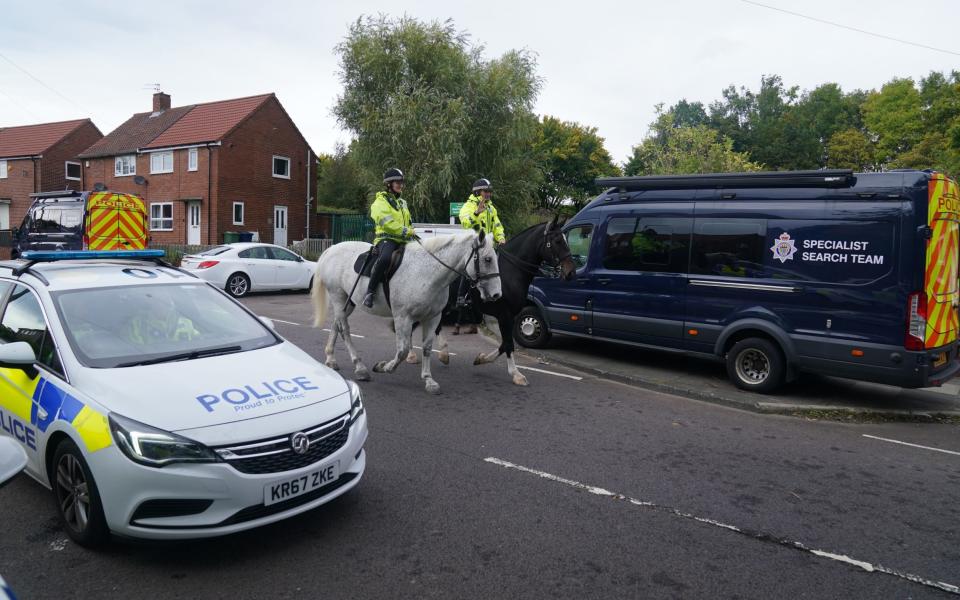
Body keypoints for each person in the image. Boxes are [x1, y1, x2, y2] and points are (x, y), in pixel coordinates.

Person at [453, 178, 506, 333]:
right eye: (486, 191)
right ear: (477, 192)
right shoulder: (468, 207)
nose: (488, 194)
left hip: (489, 248)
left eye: (489, 191)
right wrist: (476, 213)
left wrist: (501, 236)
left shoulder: (491, 208)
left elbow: (497, 225)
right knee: (466, 275)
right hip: (474, 248)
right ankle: (460, 302)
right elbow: (466, 222)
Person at [363, 168, 416, 308]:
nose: (400, 185)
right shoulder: (380, 202)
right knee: (386, 258)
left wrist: (411, 232)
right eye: (397, 182)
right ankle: (370, 292)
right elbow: (387, 224)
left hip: (404, 239)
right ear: (388, 184)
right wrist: (406, 231)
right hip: (386, 239)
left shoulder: (402, 202)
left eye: (401, 182)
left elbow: (407, 221)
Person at [124, 292, 198, 345]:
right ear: (150, 302)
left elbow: (199, 339)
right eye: (158, 300)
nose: (162, 303)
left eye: (165, 300)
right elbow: (136, 350)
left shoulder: (185, 322)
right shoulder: (137, 324)